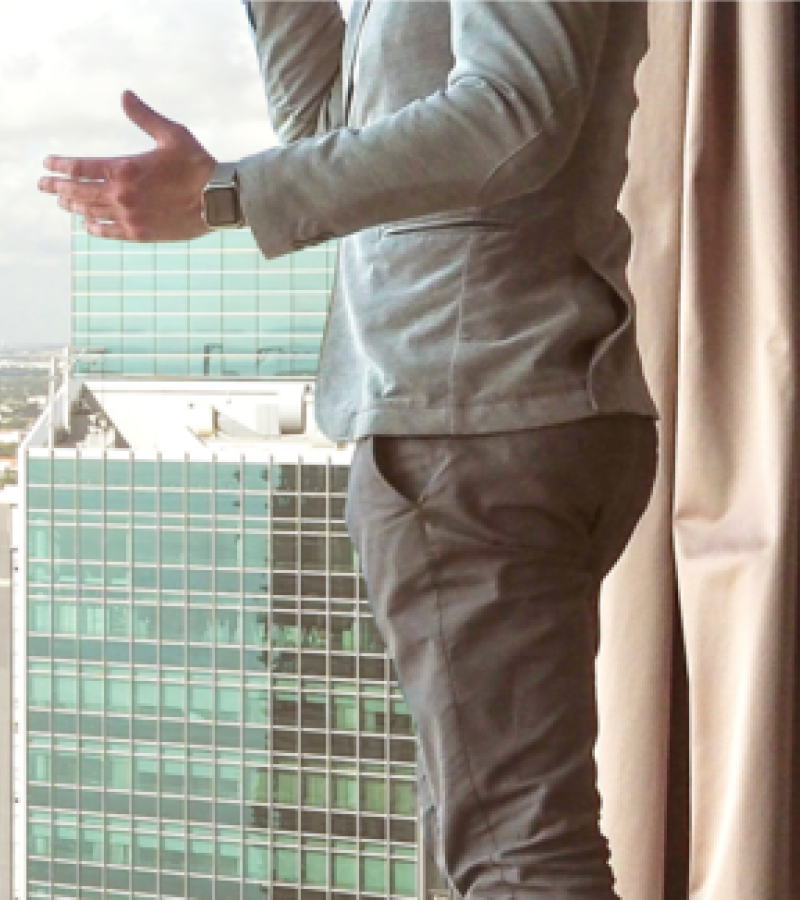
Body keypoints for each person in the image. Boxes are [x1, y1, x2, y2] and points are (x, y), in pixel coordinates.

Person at [38, 1, 659, 897]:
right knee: (485, 834)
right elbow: (340, 139)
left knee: (516, 855)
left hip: (473, 415)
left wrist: (228, 195)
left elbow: (512, 117)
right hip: (492, 405)